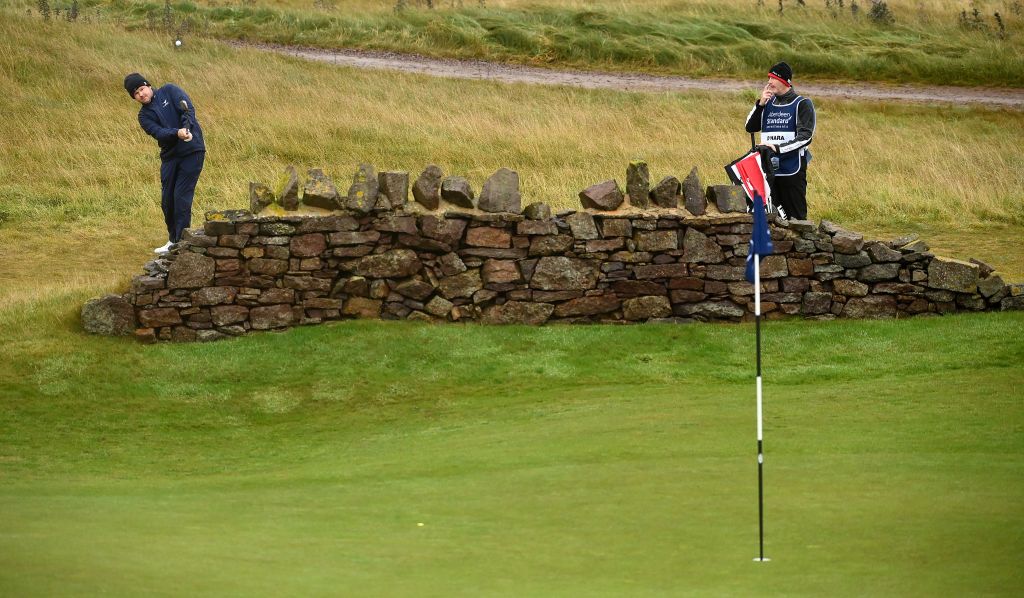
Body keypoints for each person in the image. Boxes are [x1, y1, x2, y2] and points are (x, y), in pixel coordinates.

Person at [124, 73, 206, 254]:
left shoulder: (169, 90)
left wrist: (186, 129)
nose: (141, 94)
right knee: (167, 200)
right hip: (170, 156)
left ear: (148, 85)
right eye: (136, 93)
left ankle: (182, 243)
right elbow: (159, 132)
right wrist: (177, 133)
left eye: (142, 89)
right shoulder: (143, 116)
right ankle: (173, 239)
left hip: (192, 151)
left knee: (181, 197)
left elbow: (188, 110)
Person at [744, 62, 815, 221]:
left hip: (792, 170)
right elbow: (750, 127)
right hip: (768, 171)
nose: (769, 82)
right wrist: (760, 104)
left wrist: (777, 148)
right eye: (769, 77)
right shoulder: (766, 103)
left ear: (784, 81)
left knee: (796, 218)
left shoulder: (802, 104)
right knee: (771, 217)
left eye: (773, 78)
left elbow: (805, 137)